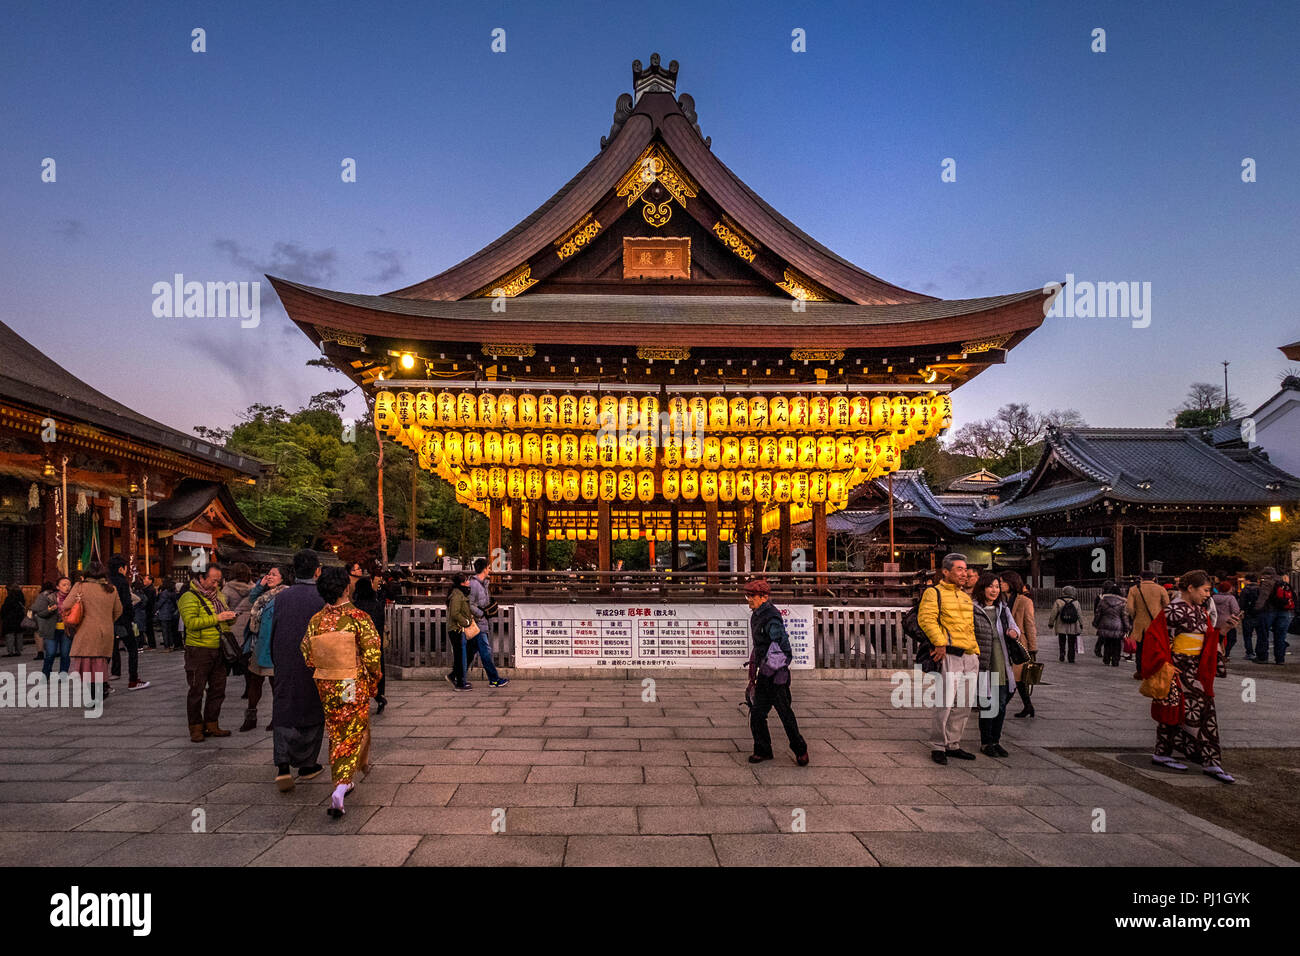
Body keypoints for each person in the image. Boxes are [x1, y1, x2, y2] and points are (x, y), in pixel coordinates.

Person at [301, 566, 383, 818]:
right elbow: (372, 654)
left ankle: (342, 781)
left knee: (336, 730)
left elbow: (306, 652)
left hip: (327, 682)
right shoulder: (358, 618)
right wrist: (373, 678)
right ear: (346, 587)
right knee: (351, 732)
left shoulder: (316, 620)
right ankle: (340, 785)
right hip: (350, 681)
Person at [1141, 570, 1233, 783]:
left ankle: (1166, 753)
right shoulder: (1172, 611)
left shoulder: (1200, 612)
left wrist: (1224, 630)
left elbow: (1209, 640)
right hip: (1178, 668)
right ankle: (1208, 761)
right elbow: (1157, 640)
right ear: (1190, 588)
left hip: (1194, 669)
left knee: (1190, 711)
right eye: (1205, 590)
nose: (1207, 595)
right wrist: (1165, 664)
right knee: (1185, 713)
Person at [270, 549, 327, 791]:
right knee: (313, 709)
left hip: (285, 659)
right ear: (317, 571)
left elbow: (273, 629)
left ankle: (283, 766)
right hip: (314, 660)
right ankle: (307, 764)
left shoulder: (281, 597)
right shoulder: (322, 598)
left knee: (284, 707)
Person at [918, 552, 979, 765]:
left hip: (970, 655)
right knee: (944, 702)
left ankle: (954, 743)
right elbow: (926, 619)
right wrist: (939, 642)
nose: (965, 573)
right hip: (950, 654)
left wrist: (976, 651)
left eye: (965, 569)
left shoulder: (965, 596)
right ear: (946, 571)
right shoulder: (933, 593)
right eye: (959, 569)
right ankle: (938, 745)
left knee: (964, 703)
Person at [742, 578, 808, 765]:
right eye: (747, 595)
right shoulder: (757, 614)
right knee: (757, 713)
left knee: (785, 713)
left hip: (776, 675)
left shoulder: (771, 617)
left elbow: (782, 646)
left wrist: (770, 668)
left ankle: (800, 749)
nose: (749, 599)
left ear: (764, 596)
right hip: (763, 672)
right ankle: (762, 750)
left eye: (752, 595)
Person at [178, 564, 234, 742]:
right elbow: (191, 622)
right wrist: (217, 618)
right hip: (199, 649)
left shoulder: (219, 596)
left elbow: (223, 622)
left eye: (219, 580)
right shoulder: (189, 597)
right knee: (197, 689)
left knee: (218, 688)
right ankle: (195, 727)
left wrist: (230, 618)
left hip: (219, 648)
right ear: (201, 578)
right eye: (213, 580)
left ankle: (212, 723)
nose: (216, 584)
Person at [972, 572, 1018, 758]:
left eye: (997, 587)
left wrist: (1014, 632)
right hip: (984, 661)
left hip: (1002, 659)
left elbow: (1016, 627)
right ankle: (986, 742)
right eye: (990, 586)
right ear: (982, 588)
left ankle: (996, 740)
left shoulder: (1003, 608)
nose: (994, 590)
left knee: (1001, 704)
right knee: (987, 704)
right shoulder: (973, 609)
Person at [240, 565, 289, 732]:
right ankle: (251, 716)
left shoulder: (284, 595)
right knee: (255, 681)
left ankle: (278, 717)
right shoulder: (264, 595)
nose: (269, 577)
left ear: (283, 578)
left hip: (273, 645)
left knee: (275, 683)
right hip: (258, 643)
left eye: (274, 575)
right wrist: (260, 584)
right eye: (268, 574)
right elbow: (252, 598)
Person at [67, 562, 123, 702]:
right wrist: (106, 620)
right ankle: (101, 688)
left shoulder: (80, 587)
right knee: (100, 663)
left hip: (86, 631)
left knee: (87, 664)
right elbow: (118, 610)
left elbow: (66, 605)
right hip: (106, 631)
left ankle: (93, 694)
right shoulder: (111, 589)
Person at [107, 554, 148, 689]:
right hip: (122, 620)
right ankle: (133, 680)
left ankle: (103, 683)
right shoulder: (122, 582)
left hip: (107, 620)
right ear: (121, 568)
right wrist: (130, 619)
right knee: (132, 649)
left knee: (107, 652)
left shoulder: (106, 582)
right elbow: (126, 603)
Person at [465, 557, 508, 687]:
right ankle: (494, 679)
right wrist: (481, 613)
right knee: (485, 652)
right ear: (484, 569)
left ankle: (456, 675)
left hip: (481, 622)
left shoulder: (482, 584)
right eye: (488, 567)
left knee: (470, 652)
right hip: (478, 623)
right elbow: (470, 604)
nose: (489, 569)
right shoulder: (474, 585)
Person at [1001, 571, 1038, 718]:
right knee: (1020, 680)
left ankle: (999, 707)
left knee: (1016, 678)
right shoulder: (1001, 600)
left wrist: (1033, 647)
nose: (1000, 584)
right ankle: (1028, 706)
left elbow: (1030, 625)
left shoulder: (1024, 601)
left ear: (1011, 582)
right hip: (1004, 643)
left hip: (1019, 644)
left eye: (1003, 581)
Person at [350, 574, 387, 713]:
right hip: (375, 644)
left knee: (359, 673)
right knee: (375, 672)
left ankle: (358, 699)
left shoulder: (354, 608)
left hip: (358, 646)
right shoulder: (377, 606)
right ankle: (379, 696)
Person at [1126, 571, 1170, 675]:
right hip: (1155, 624)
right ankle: (1152, 669)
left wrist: (1135, 616)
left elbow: (1130, 608)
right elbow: (1167, 606)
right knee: (1154, 649)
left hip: (1139, 624)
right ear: (1154, 578)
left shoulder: (1134, 589)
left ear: (1141, 578)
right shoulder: (1161, 589)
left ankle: (1140, 670)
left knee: (1140, 649)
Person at [1254, 567, 1294, 665]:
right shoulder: (1282, 582)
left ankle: (1263, 657)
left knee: (1263, 634)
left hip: (1268, 611)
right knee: (1280, 636)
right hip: (1284, 611)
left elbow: (1263, 596)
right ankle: (1280, 658)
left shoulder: (1267, 582)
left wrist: (1256, 609)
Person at [34, 579, 71, 676]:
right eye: (64, 585)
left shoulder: (73, 598)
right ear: (58, 587)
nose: (67, 587)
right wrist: (49, 610)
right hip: (52, 630)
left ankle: (63, 675)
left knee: (65, 654)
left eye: (69, 585)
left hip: (67, 630)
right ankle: (46, 674)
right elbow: (40, 613)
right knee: (50, 653)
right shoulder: (49, 597)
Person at [444, 571, 473, 691]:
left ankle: (454, 676)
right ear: (462, 583)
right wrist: (465, 622)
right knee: (459, 655)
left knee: (460, 654)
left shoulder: (459, 593)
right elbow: (455, 613)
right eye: (466, 580)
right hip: (456, 628)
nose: (469, 582)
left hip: (457, 628)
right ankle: (460, 683)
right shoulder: (457, 595)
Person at [1093, 580, 1131, 667]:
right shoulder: (1122, 603)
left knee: (1107, 643)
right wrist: (1127, 626)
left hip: (1105, 623)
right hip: (1118, 625)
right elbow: (1124, 616)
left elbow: (1098, 613)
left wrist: (1096, 623)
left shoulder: (1103, 601)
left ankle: (1106, 658)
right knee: (1117, 644)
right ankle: (1115, 660)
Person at [1049, 585, 1082, 663]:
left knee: (1062, 640)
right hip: (1073, 624)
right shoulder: (1076, 602)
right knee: (1071, 642)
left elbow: (1053, 613)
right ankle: (1071, 657)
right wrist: (1081, 623)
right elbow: (1079, 614)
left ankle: (1062, 653)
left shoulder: (1058, 601)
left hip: (1061, 623)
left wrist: (1051, 623)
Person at [1211, 580, 1242, 660]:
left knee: (1218, 640)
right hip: (1228, 623)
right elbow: (1235, 610)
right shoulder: (1231, 598)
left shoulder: (1213, 597)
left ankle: (1218, 653)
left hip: (1215, 623)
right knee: (1232, 639)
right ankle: (1225, 654)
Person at [1237, 574, 1261, 660]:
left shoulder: (1245, 590)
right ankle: (1259, 652)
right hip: (1259, 614)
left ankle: (1250, 652)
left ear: (1248, 580)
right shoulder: (1260, 589)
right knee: (1260, 634)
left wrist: (1242, 610)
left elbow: (1242, 603)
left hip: (1248, 614)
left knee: (1247, 635)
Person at [155, 580, 180, 651]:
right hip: (171, 613)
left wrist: (154, 609)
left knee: (165, 631)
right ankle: (171, 645)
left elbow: (159, 603)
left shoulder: (164, 593)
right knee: (169, 630)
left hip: (164, 613)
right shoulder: (173, 593)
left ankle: (167, 647)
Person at [2, 584, 26, 657]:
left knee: (10, 635)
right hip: (19, 618)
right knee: (19, 635)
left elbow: (5, 608)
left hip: (10, 619)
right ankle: (18, 651)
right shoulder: (21, 597)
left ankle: (10, 651)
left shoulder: (10, 598)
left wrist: (2, 616)